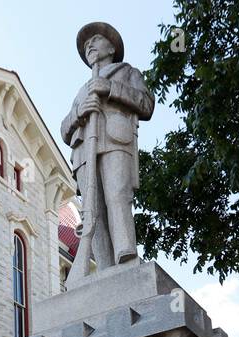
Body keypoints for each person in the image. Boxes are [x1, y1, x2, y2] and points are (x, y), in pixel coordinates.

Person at [61, 22, 155, 277]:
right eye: (85, 45)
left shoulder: (127, 73)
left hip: (115, 140)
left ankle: (126, 254)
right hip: (84, 152)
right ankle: (104, 265)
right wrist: (79, 113)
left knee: (117, 195)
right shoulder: (82, 90)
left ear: (111, 47)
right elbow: (64, 129)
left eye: (95, 39)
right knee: (94, 211)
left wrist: (110, 89)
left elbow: (146, 104)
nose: (89, 45)